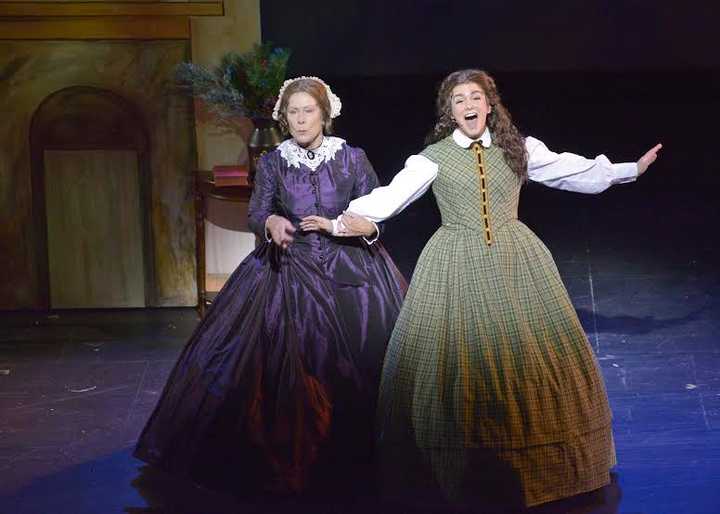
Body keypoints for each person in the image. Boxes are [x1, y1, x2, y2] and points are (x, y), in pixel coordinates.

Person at [337, 69, 661, 509]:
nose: (468, 105)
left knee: (526, 356)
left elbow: (570, 169)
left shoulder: (517, 149)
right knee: (456, 362)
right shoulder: (432, 157)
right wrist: (344, 220)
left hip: (515, 258)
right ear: (449, 113)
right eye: (458, 100)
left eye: (475, 97)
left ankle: (540, 468)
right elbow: (392, 196)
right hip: (454, 261)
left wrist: (628, 170)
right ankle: (448, 471)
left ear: (490, 105)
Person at [134, 76, 407, 497]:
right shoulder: (274, 162)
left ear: (324, 113)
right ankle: (294, 460)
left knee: (365, 361)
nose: (300, 119)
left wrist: (363, 225)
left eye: (308, 111)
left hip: (352, 270)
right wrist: (272, 223)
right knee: (283, 362)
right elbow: (257, 210)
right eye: (293, 112)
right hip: (289, 267)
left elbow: (376, 209)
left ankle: (362, 456)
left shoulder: (353, 159)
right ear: (284, 117)